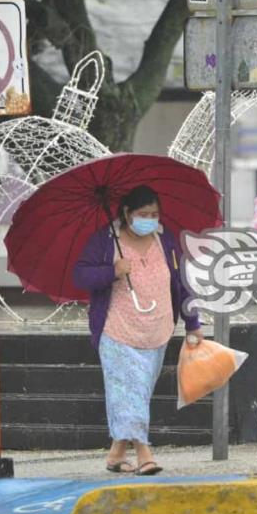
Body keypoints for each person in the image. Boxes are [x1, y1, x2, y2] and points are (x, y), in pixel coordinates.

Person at [73, 185, 203, 475]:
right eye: (143, 214)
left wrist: (193, 323)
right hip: (117, 330)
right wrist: (112, 271)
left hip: (156, 331)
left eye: (155, 214)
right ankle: (145, 454)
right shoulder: (106, 241)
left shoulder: (164, 239)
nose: (150, 219)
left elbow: (182, 282)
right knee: (129, 393)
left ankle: (116, 455)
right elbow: (80, 275)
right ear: (127, 214)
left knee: (136, 394)